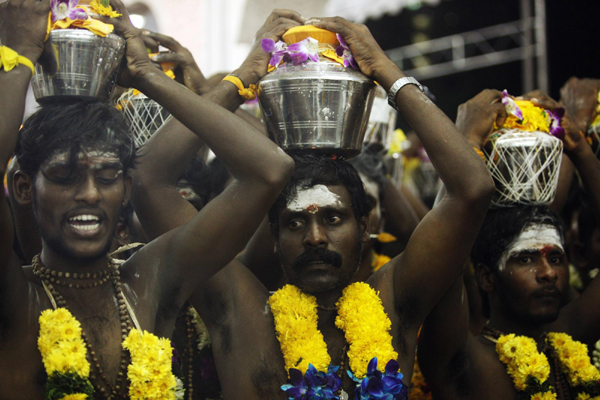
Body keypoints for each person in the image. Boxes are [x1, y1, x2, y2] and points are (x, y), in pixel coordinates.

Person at [132, 10, 494, 398]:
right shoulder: (239, 312)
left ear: (365, 225)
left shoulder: (395, 304)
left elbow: (472, 190)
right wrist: (243, 77)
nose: (316, 238)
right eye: (294, 223)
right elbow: (150, 181)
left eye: (334, 218)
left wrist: (384, 70)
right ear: (273, 236)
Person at [0, 1, 293, 398]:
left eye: (106, 177)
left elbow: (268, 170)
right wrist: (17, 58)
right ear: (22, 187)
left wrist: (147, 75)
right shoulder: (15, 297)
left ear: (125, 187)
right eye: (64, 177)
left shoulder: (152, 279)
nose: (88, 194)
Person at [417, 89, 600, 400]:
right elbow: (439, 261)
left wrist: (580, 149)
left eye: (555, 258)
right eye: (526, 259)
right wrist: (464, 144)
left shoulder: (571, 338)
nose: (548, 273)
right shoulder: (464, 364)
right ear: (487, 276)